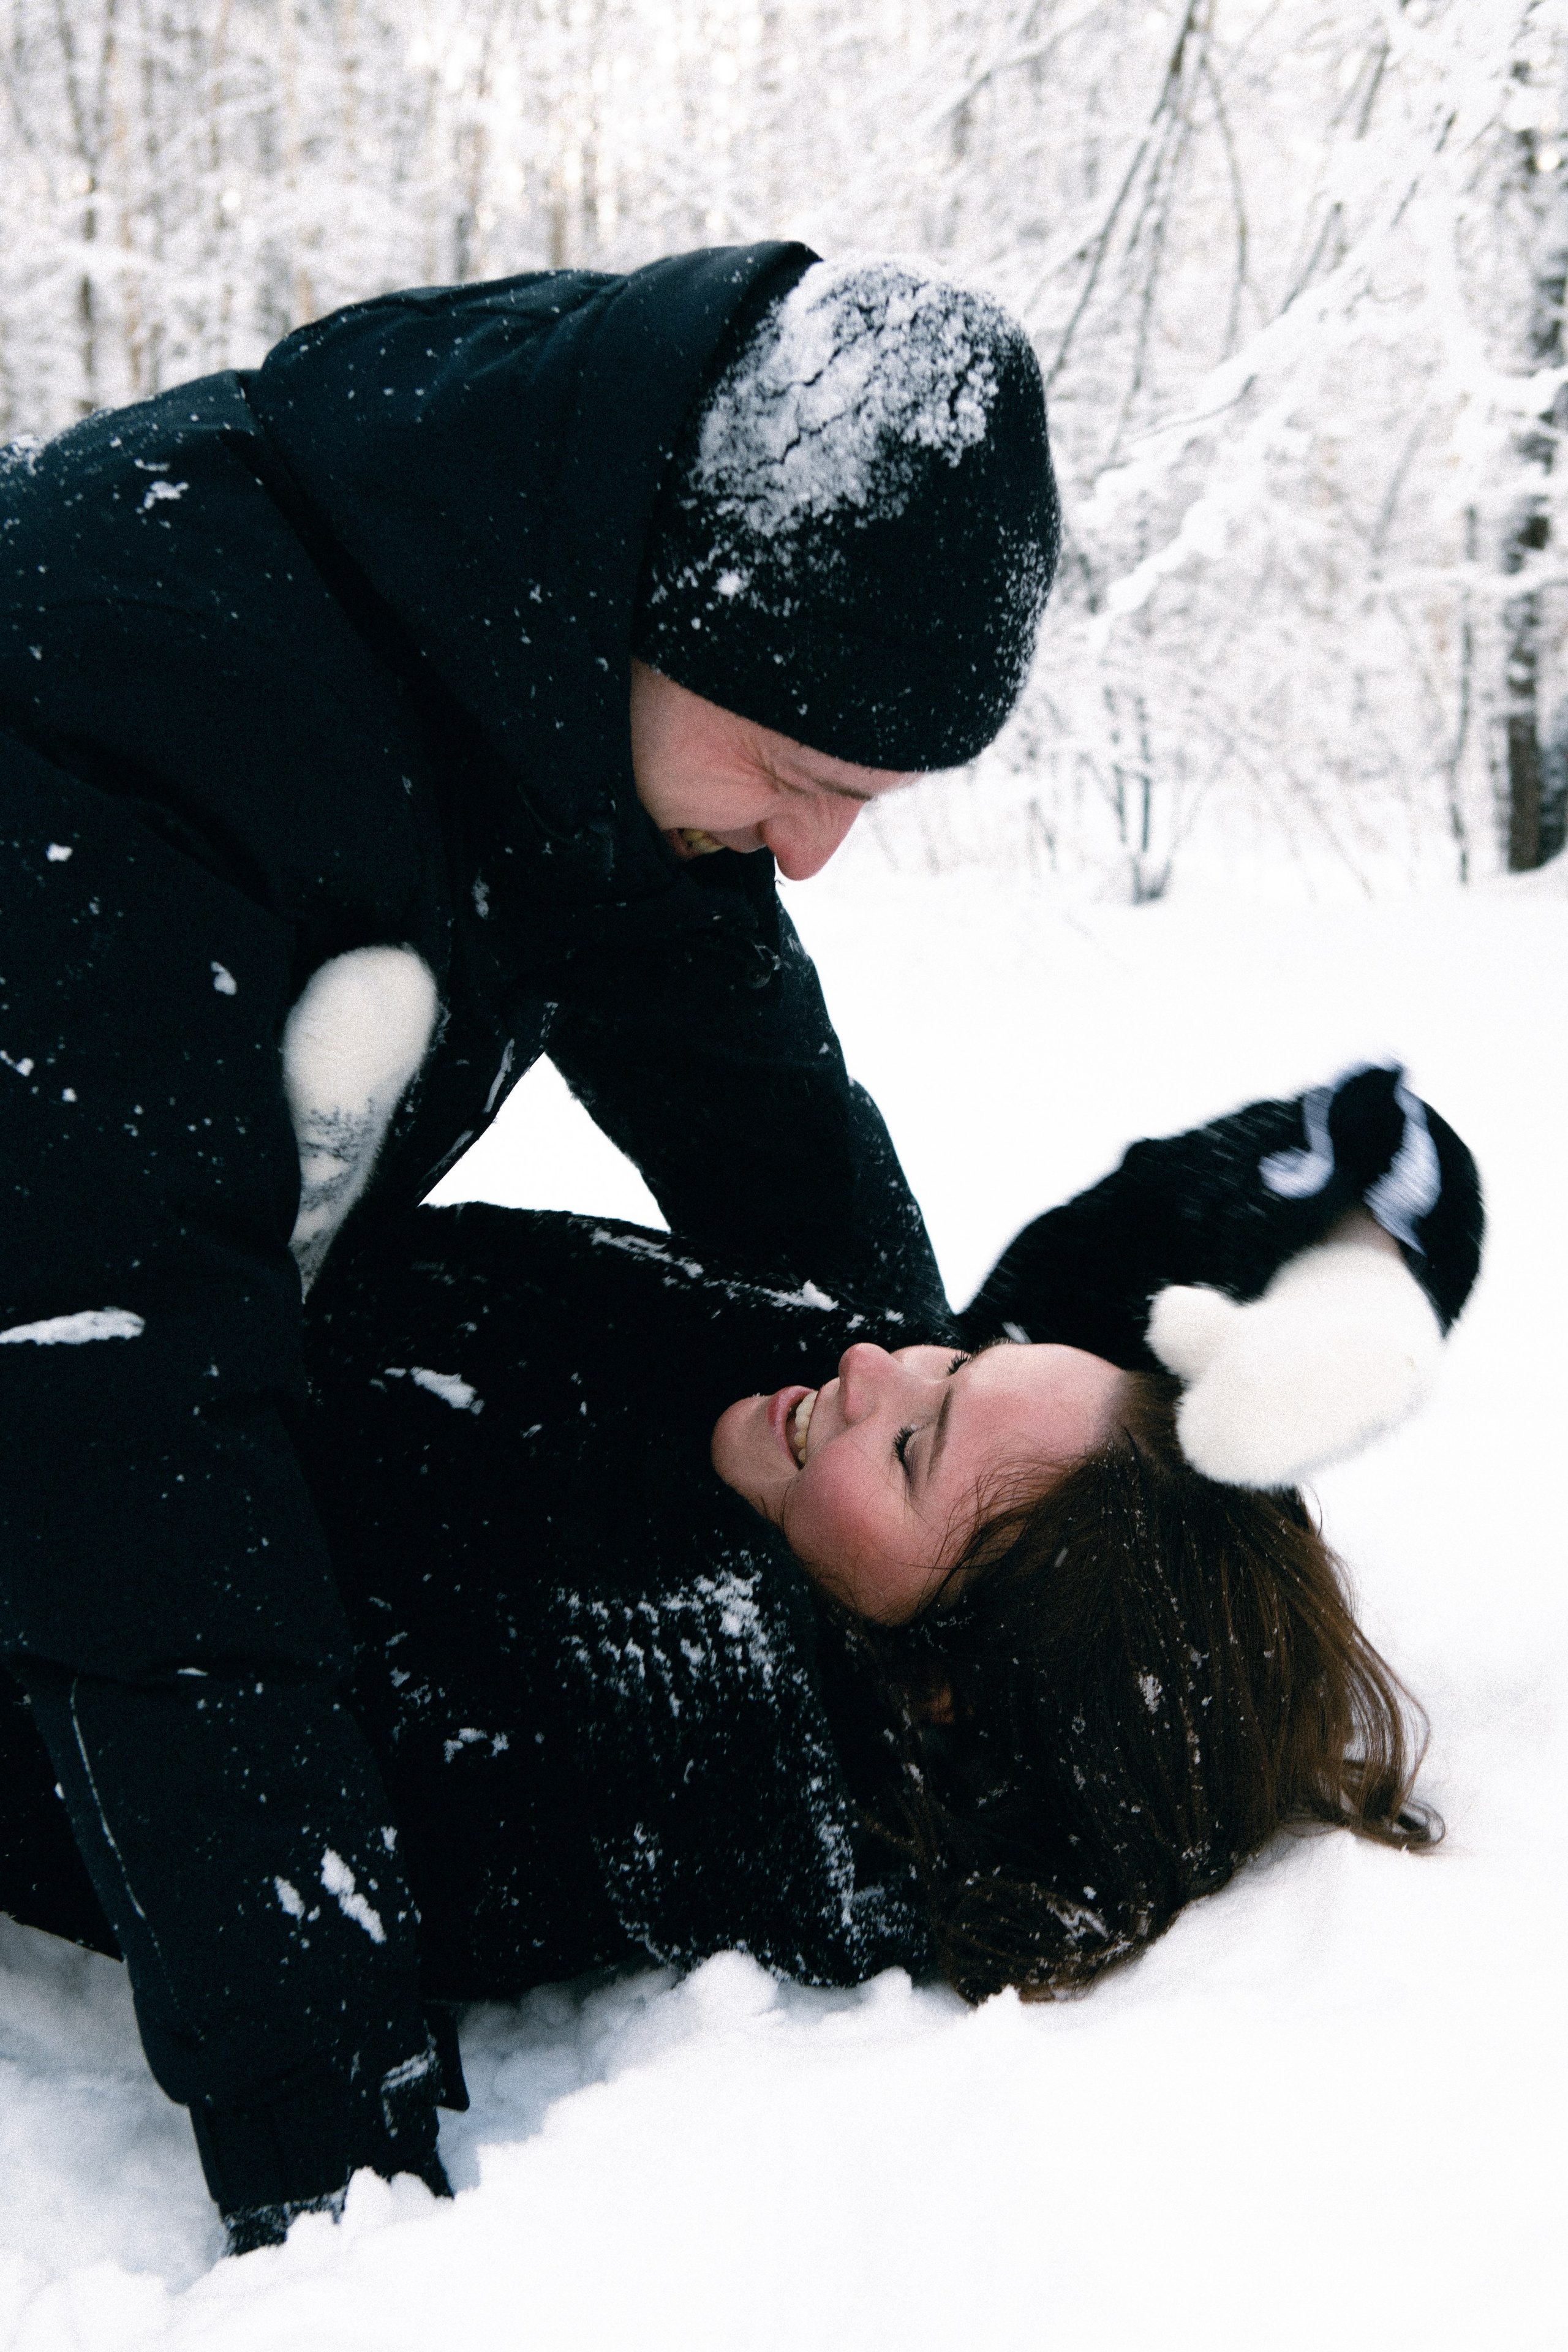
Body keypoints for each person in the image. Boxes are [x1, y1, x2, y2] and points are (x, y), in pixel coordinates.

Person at [0, 246, 1058, 2231]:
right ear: (652, 607)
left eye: (872, 799)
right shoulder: (147, 678)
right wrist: (339, 2161)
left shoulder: (567, 674)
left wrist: (1002, 1545)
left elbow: (770, 1137)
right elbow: (121, 1420)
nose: (816, 852)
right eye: (801, 778)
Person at [0, 1063, 1483, 2245]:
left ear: (937, 1683)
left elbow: (189, 1706)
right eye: (960, 1364)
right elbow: (1348, 1152)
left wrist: (321, 2167)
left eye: (913, 1442)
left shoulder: (571, 1732)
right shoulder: (896, 1528)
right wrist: (1363, 1282)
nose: (876, 1363)